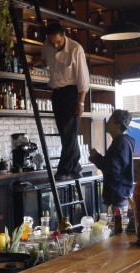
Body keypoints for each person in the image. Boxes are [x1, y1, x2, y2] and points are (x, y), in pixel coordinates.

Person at [37, 22, 90, 181]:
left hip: (72, 93)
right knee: (66, 134)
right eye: (52, 42)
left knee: (69, 134)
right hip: (56, 93)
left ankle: (64, 170)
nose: (55, 45)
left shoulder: (75, 49)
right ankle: (75, 168)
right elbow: (46, 61)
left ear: (64, 35)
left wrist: (81, 102)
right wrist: (38, 62)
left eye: (58, 42)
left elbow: (83, 78)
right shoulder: (47, 45)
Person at [89, 109, 136, 210]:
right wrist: (97, 158)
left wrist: (97, 157)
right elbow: (112, 166)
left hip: (117, 198)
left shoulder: (120, 143)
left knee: (116, 221)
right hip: (119, 196)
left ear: (117, 124)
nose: (107, 122)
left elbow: (112, 169)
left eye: (110, 120)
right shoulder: (123, 142)